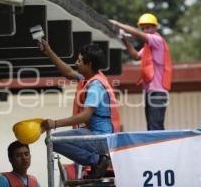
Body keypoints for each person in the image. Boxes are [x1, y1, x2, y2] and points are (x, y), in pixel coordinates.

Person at [39, 40, 120, 179]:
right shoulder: (91, 77)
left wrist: (55, 123)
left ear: (89, 64)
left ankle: (98, 161)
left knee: (52, 141)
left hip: (100, 138)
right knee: (53, 141)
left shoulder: (95, 86)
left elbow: (85, 116)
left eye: (79, 60)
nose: (76, 63)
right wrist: (48, 51)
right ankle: (97, 161)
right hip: (95, 134)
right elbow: (68, 72)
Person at [109, 13, 172, 130]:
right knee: (151, 127)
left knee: (155, 127)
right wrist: (124, 40)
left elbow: (137, 34)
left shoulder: (157, 40)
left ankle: (159, 147)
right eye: (143, 28)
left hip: (158, 92)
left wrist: (118, 24)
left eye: (148, 27)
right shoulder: (148, 46)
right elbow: (135, 56)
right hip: (151, 92)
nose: (145, 31)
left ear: (155, 27)